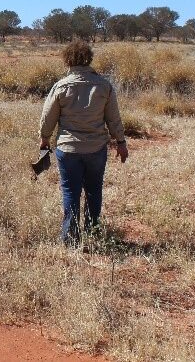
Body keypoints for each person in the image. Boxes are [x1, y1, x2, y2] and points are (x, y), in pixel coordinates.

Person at [39, 40, 128, 246]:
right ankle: (93, 231)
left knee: (71, 191)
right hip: (96, 148)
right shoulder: (104, 85)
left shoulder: (61, 86)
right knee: (94, 190)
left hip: (68, 149)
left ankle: (70, 238)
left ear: (67, 60)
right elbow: (114, 119)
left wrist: (44, 138)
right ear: (89, 58)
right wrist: (121, 142)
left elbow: (47, 117)